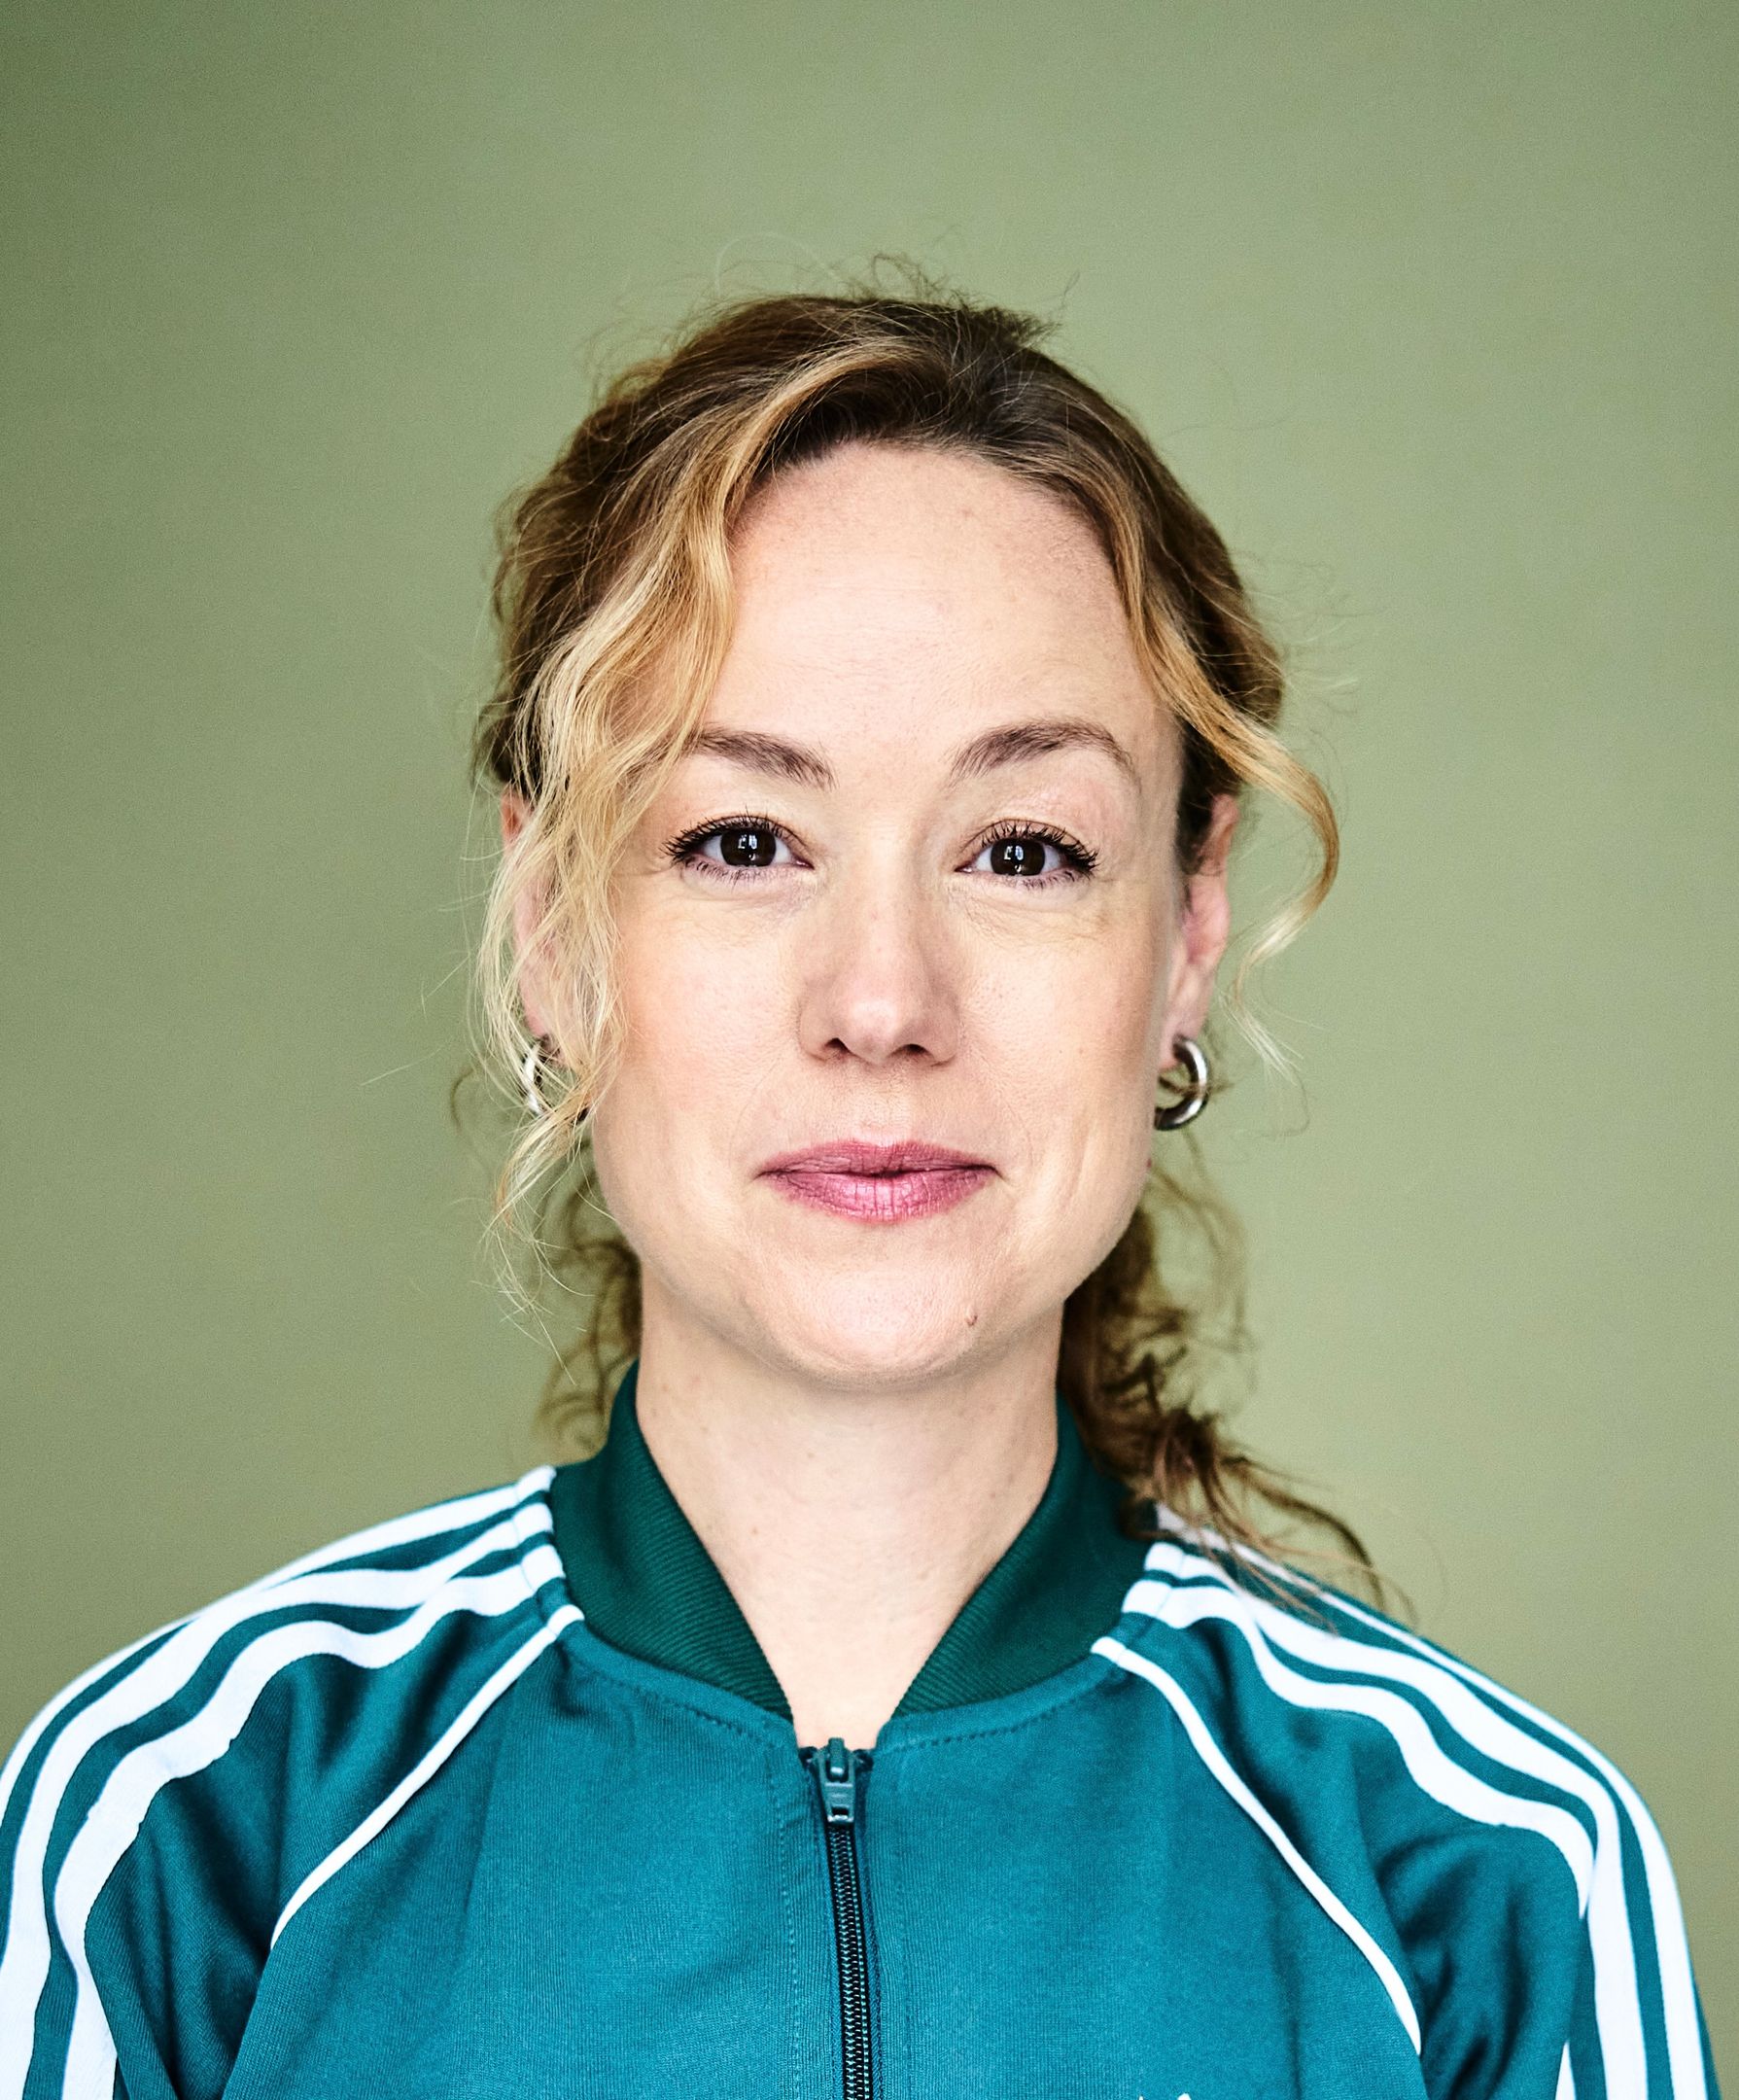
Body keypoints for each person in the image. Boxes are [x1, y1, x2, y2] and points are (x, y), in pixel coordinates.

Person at [0, 283, 1719, 2099]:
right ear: (553, 930)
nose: (882, 1002)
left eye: (1025, 851)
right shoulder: (184, 1826)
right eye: (741, 840)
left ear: (1187, 934)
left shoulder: (1489, 1884)